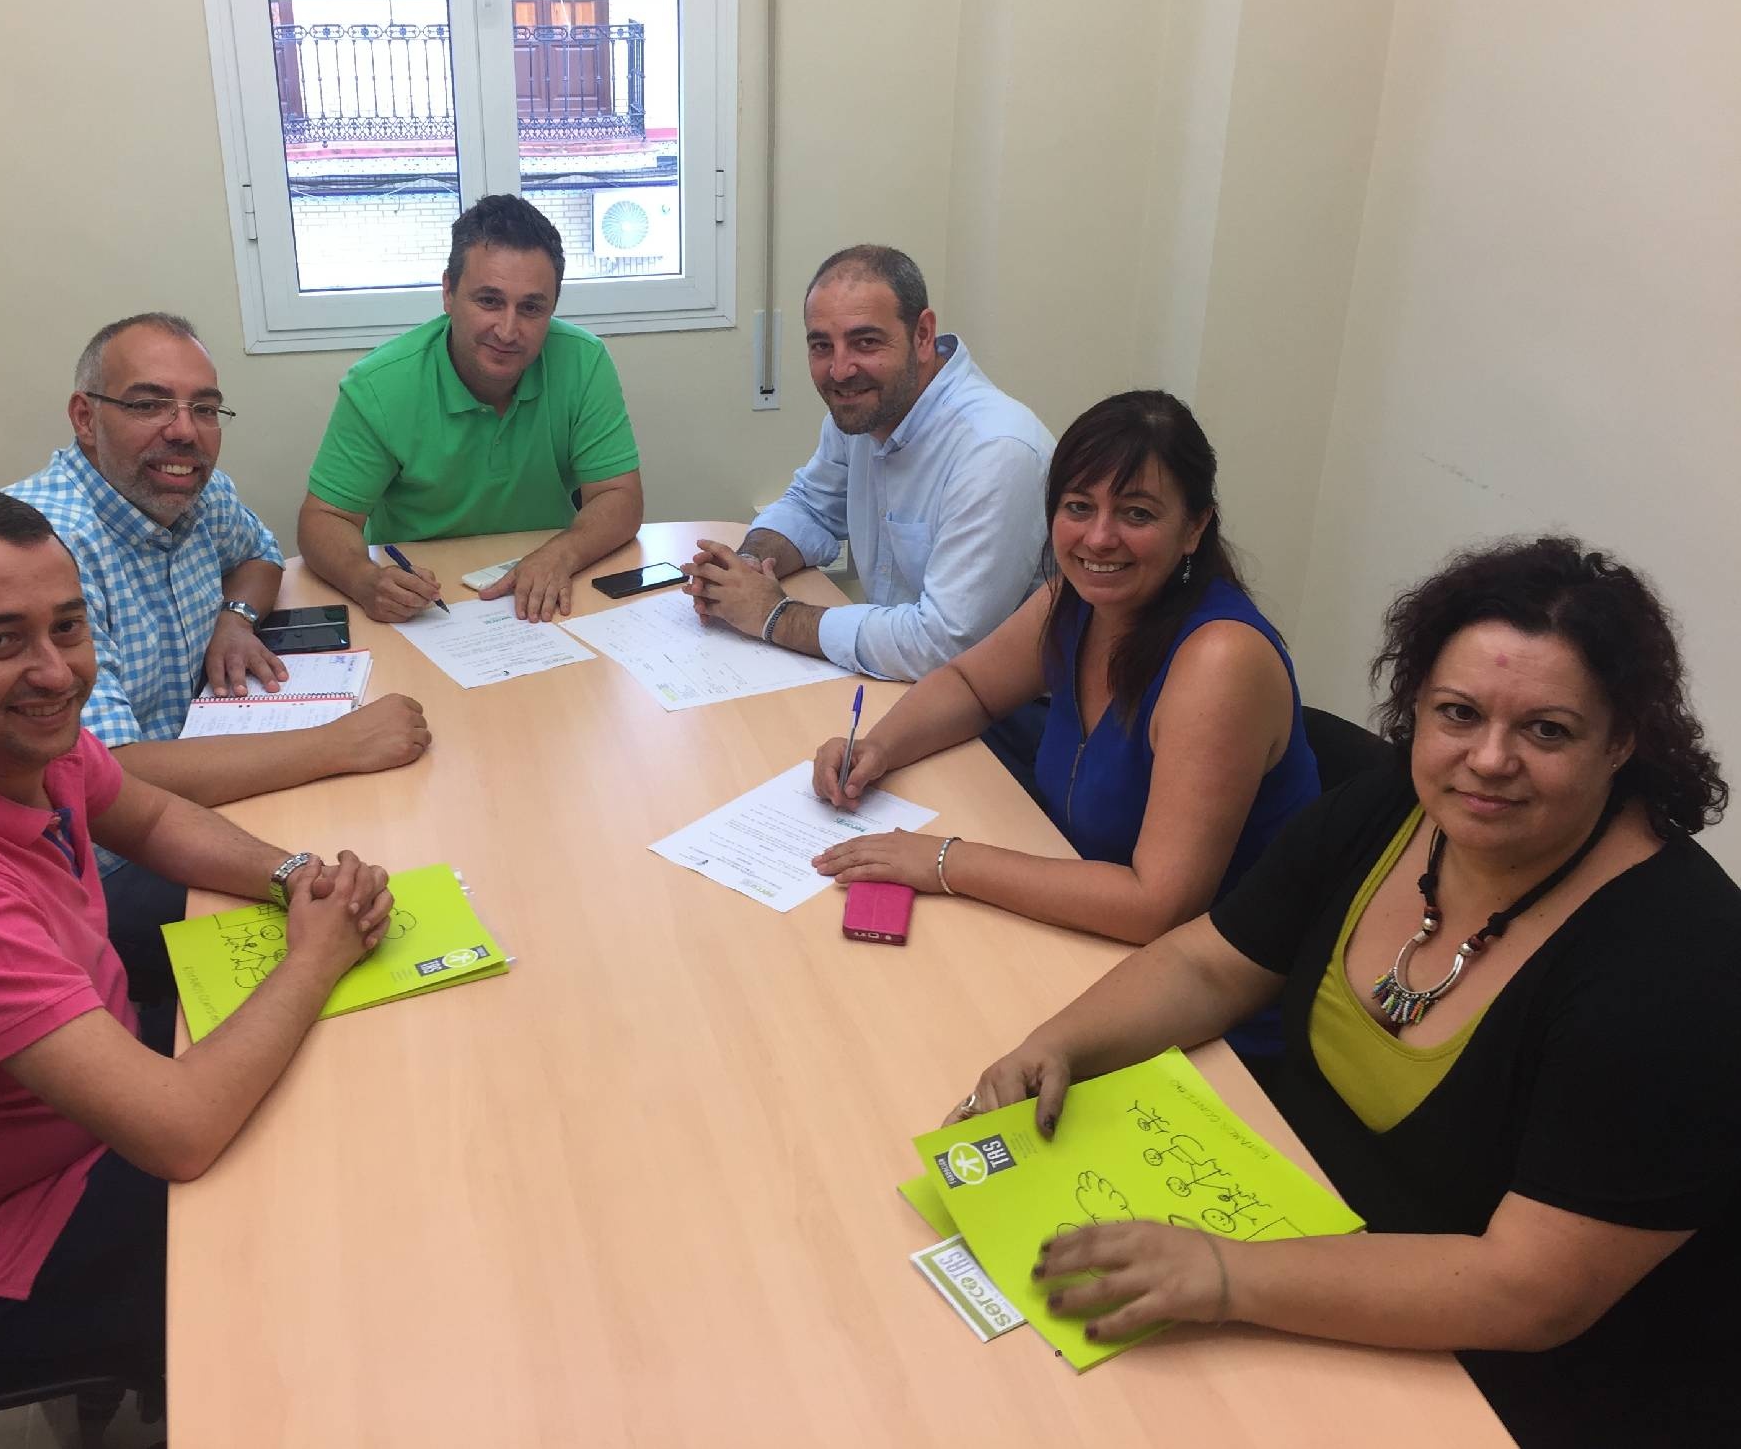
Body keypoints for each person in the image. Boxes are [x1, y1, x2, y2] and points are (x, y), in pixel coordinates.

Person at [946, 536, 1739, 1445]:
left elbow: (1530, 1292)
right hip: (1302, 1245)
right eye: (1457, 713)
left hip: (1504, 1382)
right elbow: (1209, 962)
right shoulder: (1391, 810)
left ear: (1621, 741)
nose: (1487, 759)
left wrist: (1226, 1276)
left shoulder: (1678, 971)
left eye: (1546, 730)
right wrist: (1057, 1043)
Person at [0, 487, 398, 1374]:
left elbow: (148, 815)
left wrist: (294, 878)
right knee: (347, 1220)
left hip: (71, 1104)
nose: (55, 672)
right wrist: (314, 955)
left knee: (353, 1085)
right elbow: (178, 1128)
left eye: (67, 626)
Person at [811, 392, 1319, 970]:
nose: (1098, 538)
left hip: (1203, 976)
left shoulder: (1220, 661)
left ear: (1194, 527)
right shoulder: (1074, 602)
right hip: (1078, 914)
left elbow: (1157, 906)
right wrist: (878, 747)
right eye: (1079, 507)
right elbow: (970, 686)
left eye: (1137, 514)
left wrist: (945, 861)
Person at [8, 313, 430, 988]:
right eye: (149, 404)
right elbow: (111, 777)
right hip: (94, 872)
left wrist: (234, 619)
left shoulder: (186, 489)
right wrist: (337, 743)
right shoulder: (46, 550)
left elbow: (261, 555)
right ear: (85, 418)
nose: (184, 430)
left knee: (389, 849)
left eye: (204, 408)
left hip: (194, 799)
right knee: (386, 897)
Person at [683, 245, 1052, 680]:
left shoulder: (996, 450)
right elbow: (810, 507)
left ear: (922, 335)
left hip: (995, 704)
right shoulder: (864, 414)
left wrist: (774, 615)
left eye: (865, 342)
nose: (840, 370)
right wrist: (746, 567)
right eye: (822, 346)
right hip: (896, 678)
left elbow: (943, 644)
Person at [298, 194, 644, 624]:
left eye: (531, 308)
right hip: (423, 602)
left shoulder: (584, 361)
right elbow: (324, 519)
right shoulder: (378, 386)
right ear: (448, 292)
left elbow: (619, 496)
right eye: (489, 301)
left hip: (542, 585)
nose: (508, 330)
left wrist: (561, 554)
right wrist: (365, 580)